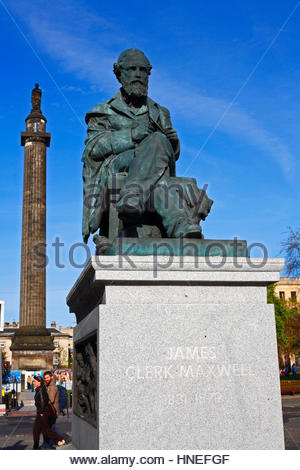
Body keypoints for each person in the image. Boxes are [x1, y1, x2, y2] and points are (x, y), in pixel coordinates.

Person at [82, 48, 212, 243]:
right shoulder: (104, 111)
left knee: (159, 149)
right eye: (132, 69)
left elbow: (172, 155)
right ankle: (176, 223)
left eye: (143, 70)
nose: (138, 75)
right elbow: (92, 149)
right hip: (120, 164)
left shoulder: (160, 112)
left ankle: (140, 200)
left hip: (153, 170)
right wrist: (132, 135)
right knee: (157, 142)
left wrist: (173, 143)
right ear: (119, 74)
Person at [32, 376, 65, 449]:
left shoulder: (40, 390)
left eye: (34, 381)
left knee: (45, 430)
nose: (33, 382)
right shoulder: (39, 389)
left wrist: (41, 412)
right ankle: (35, 447)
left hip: (43, 412)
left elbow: (43, 402)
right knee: (36, 430)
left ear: (39, 382)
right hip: (41, 412)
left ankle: (60, 439)